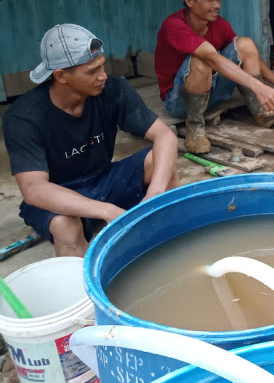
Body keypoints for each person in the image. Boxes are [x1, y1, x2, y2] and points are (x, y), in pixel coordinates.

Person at [2, 24, 180, 257]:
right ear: (61, 76)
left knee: (162, 166)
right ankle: (86, 286)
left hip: (104, 179)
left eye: (102, 66)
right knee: (65, 226)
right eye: (92, 71)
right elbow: (35, 190)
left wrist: (155, 193)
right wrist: (107, 211)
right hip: (59, 193)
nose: (103, 76)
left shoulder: (114, 89)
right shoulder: (23, 117)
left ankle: (173, 246)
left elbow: (165, 136)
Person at [154, 0, 274, 154]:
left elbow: (248, 56)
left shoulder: (219, 25)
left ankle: (263, 113)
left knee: (245, 44)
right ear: (189, 1)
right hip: (179, 102)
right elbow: (211, 58)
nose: (217, 5)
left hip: (211, 94)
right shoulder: (174, 26)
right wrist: (258, 86)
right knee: (202, 59)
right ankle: (195, 128)